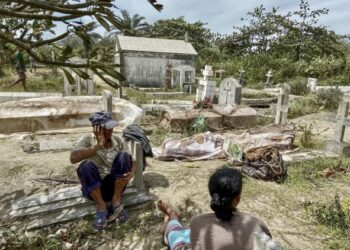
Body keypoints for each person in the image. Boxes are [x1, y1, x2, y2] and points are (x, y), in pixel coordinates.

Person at [157, 167, 272, 250]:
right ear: (237, 199)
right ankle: (170, 220)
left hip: (189, 239)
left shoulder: (198, 223)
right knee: (185, 231)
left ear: (213, 196)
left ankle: (171, 217)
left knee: (176, 233)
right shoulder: (255, 225)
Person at [70, 111, 137, 231]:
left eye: (111, 127)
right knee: (85, 165)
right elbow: (73, 158)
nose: (110, 131)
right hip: (94, 189)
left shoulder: (118, 140)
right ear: (97, 129)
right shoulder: (86, 140)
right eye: (107, 128)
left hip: (115, 187)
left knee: (124, 156)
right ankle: (101, 205)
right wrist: (97, 146)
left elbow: (133, 161)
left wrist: (131, 173)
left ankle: (116, 200)